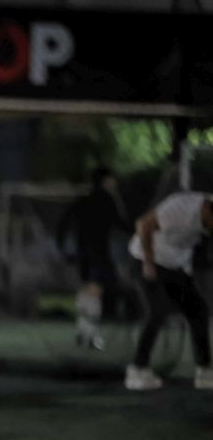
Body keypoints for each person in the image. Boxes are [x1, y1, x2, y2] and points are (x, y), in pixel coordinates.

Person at [124, 191, 213, 390]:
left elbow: (186, 245)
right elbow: (143, 225)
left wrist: (185, 272)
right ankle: (137, 370)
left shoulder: (206, 218)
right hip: (144, 260)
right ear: (207, 210)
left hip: (174, 266)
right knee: (157, 311)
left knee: (198, 310)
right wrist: (148, 263)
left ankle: (205, 371)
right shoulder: (181, 208)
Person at [55, 167, 130, 350]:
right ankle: (90, 335)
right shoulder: (107, 200)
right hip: (98, 254)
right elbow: (121, 224)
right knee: (95, 293)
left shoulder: (83, 200)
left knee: (86, 292)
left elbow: (63, 224)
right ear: (106, 180)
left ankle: (83, 331)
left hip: (82, 254)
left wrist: (63, 248)